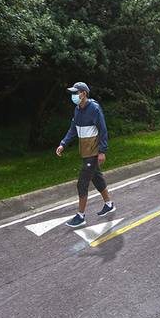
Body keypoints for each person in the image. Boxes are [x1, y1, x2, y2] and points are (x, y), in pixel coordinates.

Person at [56, 82, 115, 227]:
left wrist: (102, 151)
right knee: (97, 178)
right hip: (85, 151)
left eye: (76, 93)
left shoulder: (94, 109)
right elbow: (73, 129)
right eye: (72, 93)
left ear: (84, 93)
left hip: (93, 152)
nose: (73, 96)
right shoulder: (77, 110)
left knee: (82, 183)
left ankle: (81, 216)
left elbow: (103, 130)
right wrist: (63, 143)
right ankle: (109, 204)